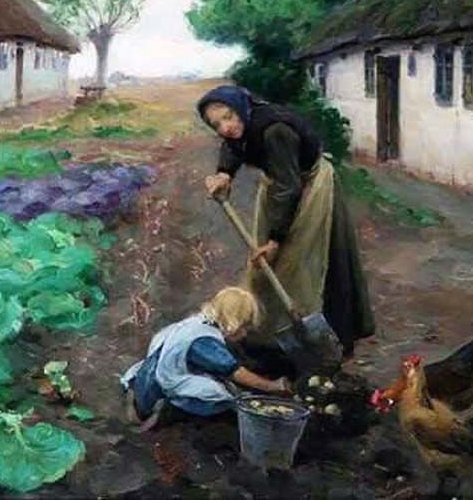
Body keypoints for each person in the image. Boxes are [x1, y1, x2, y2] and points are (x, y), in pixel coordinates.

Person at [198, 85, 374, 361]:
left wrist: (274, 240)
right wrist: (224, 174)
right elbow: (234, 146)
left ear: (242, 109)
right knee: (267, 266)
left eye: (229, 117)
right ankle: (271, 336)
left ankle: (335, 338)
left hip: (310, 187)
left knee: (309, 261)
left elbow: (289, 188)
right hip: (281, 187)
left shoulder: (274, 130)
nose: (225, 127)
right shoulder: (243, 124)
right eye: (216, 124)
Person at [120, 287, 291, 430]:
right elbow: (234, 371)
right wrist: (272, 386)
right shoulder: (203, 341)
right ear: (234, 322)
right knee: (220, 395)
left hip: (149, 376)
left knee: (220, 383)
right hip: (160, 390)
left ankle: (140, 402)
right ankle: (165, 415)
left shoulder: (195, 323)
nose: (245, 333)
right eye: (244, 327)